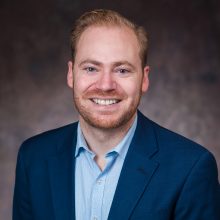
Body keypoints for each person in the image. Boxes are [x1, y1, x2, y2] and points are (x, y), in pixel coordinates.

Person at [13, 9, 220, 220]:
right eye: (91, 68)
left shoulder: (191, 167)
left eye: (122, 70)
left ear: (144, 79)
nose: (105, 85)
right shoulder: (33, 157)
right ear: (71, 74)